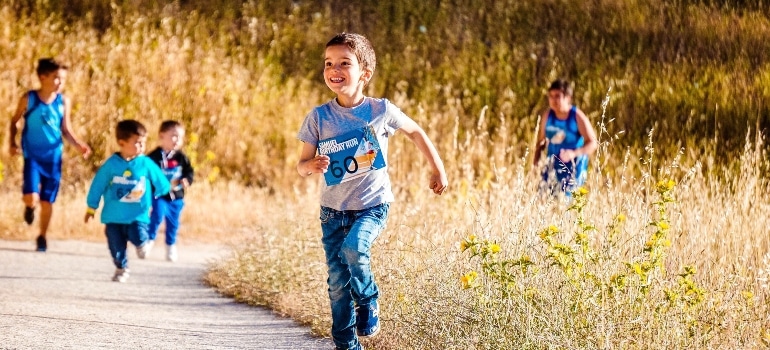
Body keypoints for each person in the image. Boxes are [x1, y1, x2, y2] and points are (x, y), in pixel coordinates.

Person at [296, 32, 448, 350]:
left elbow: (416, 131)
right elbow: (301, 164)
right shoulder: (319, 117)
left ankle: (368, 300)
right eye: (328, 63)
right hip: (332, 212)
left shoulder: (380, 110)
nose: (334, 69)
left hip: (371, 206)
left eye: (344, 63)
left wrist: (438, 168)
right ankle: (347, 345)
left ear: (364, 73)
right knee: (338, 285)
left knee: (355, 249)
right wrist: (312, 166)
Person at [8, 57, 92, 252]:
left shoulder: (63, 101)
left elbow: (66, 129)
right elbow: (14, 121)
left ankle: (42, 236)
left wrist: (78, 144)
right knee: (31, 196)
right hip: (32, 156)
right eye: (56, 78)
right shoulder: (29, 98)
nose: (60, 83)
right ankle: (29, 207)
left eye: (63, 79)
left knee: (48, 201)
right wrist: (12, 143)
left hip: (53, 158)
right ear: (42, 77)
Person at [85, 120, 170, 283]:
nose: (142, 146)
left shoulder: (145, 162)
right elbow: (98, 185)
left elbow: (161, 181)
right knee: (116, 246)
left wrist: (162, 192)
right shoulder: (111, 165)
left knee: (137, 235)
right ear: (122, 143)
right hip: (113, 216)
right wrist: (91, 207)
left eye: (144, 142)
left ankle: (142, 243)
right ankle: (121, 268)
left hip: (137, 215)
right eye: (137, 143)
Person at [533, 79, 598, 195]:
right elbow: (541, 143)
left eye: (557, 96)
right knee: (543, 199)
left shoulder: (577, 116)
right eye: (551, 96)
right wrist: (535, 164)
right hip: (552, 166)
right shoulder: (547, 116)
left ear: (568, 97)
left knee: (565, 204)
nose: (553, 100)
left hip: (573, 169)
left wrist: (574, 153)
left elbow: (592, 143)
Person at [146, 120, 194, 262]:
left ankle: (170, 246)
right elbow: (146, 172)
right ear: (162, 136)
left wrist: (187, 180)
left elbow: (189, 172)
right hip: (159, 195)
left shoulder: (181, 157)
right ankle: (148, 241)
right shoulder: (153, 156)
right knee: (157, 216)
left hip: (176, 196)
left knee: (173, 223)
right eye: (173, 136)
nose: (177, 140)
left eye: (180, 137)